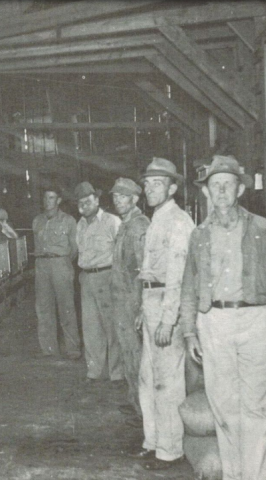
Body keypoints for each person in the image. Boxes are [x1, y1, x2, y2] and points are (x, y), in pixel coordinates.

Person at [181, 155, 266, 480]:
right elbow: (188, 286)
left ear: (239, 190)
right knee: (225, 410)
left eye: (227, 185)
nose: (221, 191)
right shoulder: (199, 234)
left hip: (256, 320)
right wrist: (189, 332)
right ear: (206, 192)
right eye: (215, 186)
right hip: (213, 323)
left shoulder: (261, 228)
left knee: (256, 407)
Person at [129, 157, 194, 471]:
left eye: (156, 183)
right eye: (146, 183)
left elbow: (179, 275)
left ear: (173, 187)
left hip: (169, 306)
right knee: (147, 379)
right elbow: (152, 271)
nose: (149, 188)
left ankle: (170, 451)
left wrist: (169, 319)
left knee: (167, 383)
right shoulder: (157, 218)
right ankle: (152, 441)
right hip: (152, 301)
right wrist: (145, 309)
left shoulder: (178, 221)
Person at [109, 178, 150, 426]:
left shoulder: (138, 226)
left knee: (136, 354)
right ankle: (135, 400)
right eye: (115, 196)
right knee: (128, 353)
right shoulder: (126, 224)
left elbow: (144, 269)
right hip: (122, 299)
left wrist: (140, 305)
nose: (117, 200)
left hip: (131, 301)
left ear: (135, 199)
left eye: (122, 196)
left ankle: (144, 412)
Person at [75, 181, 123, 381]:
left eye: (88, 201)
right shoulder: (80, 225)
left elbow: (121, 254)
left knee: (112, 327)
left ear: (97, 200)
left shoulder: (112, 222)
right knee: (91, 328)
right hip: (87, 279)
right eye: (80, 203)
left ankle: (117, 374)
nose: (84, 206)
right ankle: (94, 372)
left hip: (107, 276)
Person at [32, 187, 81, 360]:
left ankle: (72, 349)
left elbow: (75, 248)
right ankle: (49, 349)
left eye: (51, 198)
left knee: (66, 307)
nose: (47, 201)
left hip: (60, 263)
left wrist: (63, 261)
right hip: (41, 265)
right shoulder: (37, 221)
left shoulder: (69, 221)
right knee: (44, 308)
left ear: (58, 200)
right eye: (45, 198)